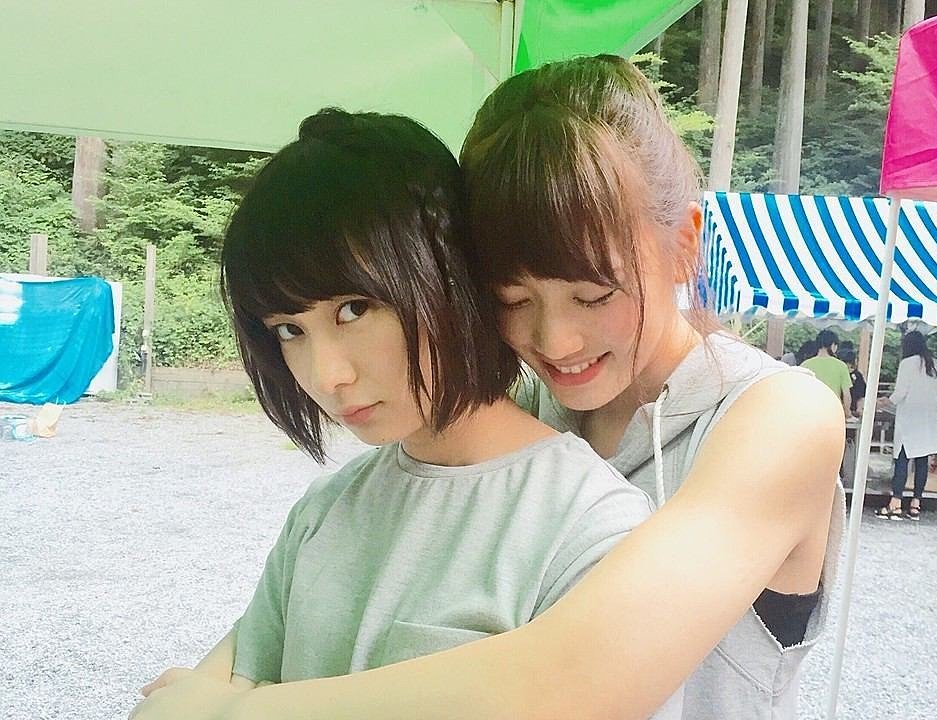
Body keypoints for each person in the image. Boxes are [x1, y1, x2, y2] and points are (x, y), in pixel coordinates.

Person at [129, 56, 844, 720]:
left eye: (594, 295)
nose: (556, 342)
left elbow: (576, 678)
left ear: (684, 243)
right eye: (512, 298)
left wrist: (230, 710)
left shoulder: (777, 416)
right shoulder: (514, 419)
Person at [131, 109, 655, 717]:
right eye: (289, 329)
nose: (326, 375)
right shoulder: (327, 509)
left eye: (354, 310)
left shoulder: (589, 524)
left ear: (450, 273)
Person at [876, 331, 937, 520]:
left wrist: (883, 401)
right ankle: (915, 505)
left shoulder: (907, 364)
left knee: (902, 460)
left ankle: (895, 504)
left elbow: (900, 394)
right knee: (922, 462)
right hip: (929, 420)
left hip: (910, 419)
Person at [801, 330, 853, 418]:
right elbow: (846, 395)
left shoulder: (805, 365)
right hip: (833, 413)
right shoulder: (841, 366)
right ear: (832, 345)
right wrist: (847, 413)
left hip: (810, 413)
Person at [837, 347, 866, 417]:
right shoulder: (857, 375)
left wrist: (859, 409)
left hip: (852, 411)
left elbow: (861, 395)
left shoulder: (857, 376)